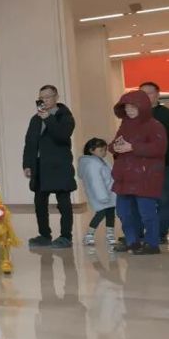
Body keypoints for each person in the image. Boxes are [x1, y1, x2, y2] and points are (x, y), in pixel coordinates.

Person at [110, 90, 168, 255]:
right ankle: (132, 241)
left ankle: (152, 244)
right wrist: (114, 147)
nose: (129, 110)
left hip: (145, 177)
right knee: (123, 212)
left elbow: (159, 148)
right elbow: (114, 145)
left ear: (142, 107)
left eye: (133, 107)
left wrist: (132, 147)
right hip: (124, 177)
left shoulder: (155, 125)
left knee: (147, 213)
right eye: (126, 107)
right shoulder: (125, 125)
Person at [22, 85, 77, 249]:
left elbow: (62, 136)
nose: (44, 100)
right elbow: (29, 142)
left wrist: (48, 118)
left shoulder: (65, 116)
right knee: (39, 202)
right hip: (40, 166)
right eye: (41, 97)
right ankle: (44, 235)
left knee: (63, 202)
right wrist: (27, 164)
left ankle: (66, 236)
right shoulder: (35, 119)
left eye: (47, 97)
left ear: (56, 97)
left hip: (59, 166)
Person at [139, 82, 169, 243]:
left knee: (164, 199)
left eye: (149, 93)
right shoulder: (135, 115)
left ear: (157, 94)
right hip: (140, 166)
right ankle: (144, 232)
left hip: (164, 164)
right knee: (143, 200)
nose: (145, 96)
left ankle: (159, 232)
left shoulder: (166, 114)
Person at [78, 138, 117, 247]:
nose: (104, 152)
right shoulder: (92, 164)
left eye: (105, 150)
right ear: (91, 150)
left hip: (109, 193)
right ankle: (89, 235)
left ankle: (110, 235)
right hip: (101, 195)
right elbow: (96, 182)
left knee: (110, 213)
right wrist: (102, 196)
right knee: (101, 213)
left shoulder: (102, 161)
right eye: (101, 150)